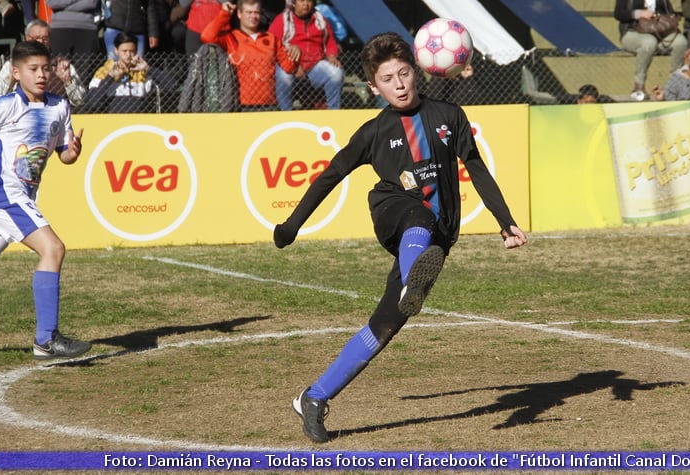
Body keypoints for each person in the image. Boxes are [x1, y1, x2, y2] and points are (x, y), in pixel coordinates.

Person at [273, 32, 527, 443]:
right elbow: (331, 175)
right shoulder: (374, 131)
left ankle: (313, 397)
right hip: (393, 211)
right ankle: (415, 278)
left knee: (386, 325)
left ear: (418, 71)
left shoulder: (449, 115)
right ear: (374, 87)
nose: (400, 84)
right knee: (417, 214)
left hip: (436, 237)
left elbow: (476, 168)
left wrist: (505, 220)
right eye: (388, 79)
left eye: (404, 73)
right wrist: (291, 226)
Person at [0, 40, 90, 360]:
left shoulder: (59, 106)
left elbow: (64, 154)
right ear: (16, 73)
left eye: (45, 68)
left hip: (19, 196)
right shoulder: (6, 106)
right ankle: (46, 339)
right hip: (3, 194)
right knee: (53, 248)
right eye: (33, 69)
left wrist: (72, 152)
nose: (41, 74)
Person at [201, 0, 295, 111]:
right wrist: (224, 13)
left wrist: (295, 52)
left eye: (256, 12)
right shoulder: (231, 38)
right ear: (239, 14)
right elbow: (207, 37)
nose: (253, 16)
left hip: (269, 105)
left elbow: (289, 68)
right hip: (240, 106)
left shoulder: (271, 38)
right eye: (249, 12)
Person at [0, 19, 86, 108]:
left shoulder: (62, 65)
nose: (41, 42)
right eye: (37, 38)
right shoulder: (13, 65)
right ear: (27, 38)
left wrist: (68, 81)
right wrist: (10, 79)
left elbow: (80, 101)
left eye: (45, 38)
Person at [269, 0, 344, 110]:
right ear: (294, 2)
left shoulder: (320, 20)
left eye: (309, 1)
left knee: (336, 73)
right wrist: (292, 65)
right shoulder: (283, 20)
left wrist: (332, 55)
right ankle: (285, 113)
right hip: (288, 64)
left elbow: (330, 42)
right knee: (284, 76)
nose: (305, 4)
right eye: (301, 1)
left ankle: (333, 112)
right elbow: (272, 45)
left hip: (315, 66)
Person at [614, 0, 688, 101]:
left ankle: (675, 84)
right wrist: (639, 13)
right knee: (649, 42)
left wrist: (662, 19)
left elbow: (670, 13)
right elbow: (618, 14)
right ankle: (638, 86)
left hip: (659, 34)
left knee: (681, 42)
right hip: (632, 32)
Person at [87, 32, 154, 112]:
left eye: (132, 51)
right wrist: (110, 77)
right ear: (116, 51)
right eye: (124, 51)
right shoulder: (104, 71)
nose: (128, 55)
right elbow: (93, 101)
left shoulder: (142, 72)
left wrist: (150, 70)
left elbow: (170, 87)